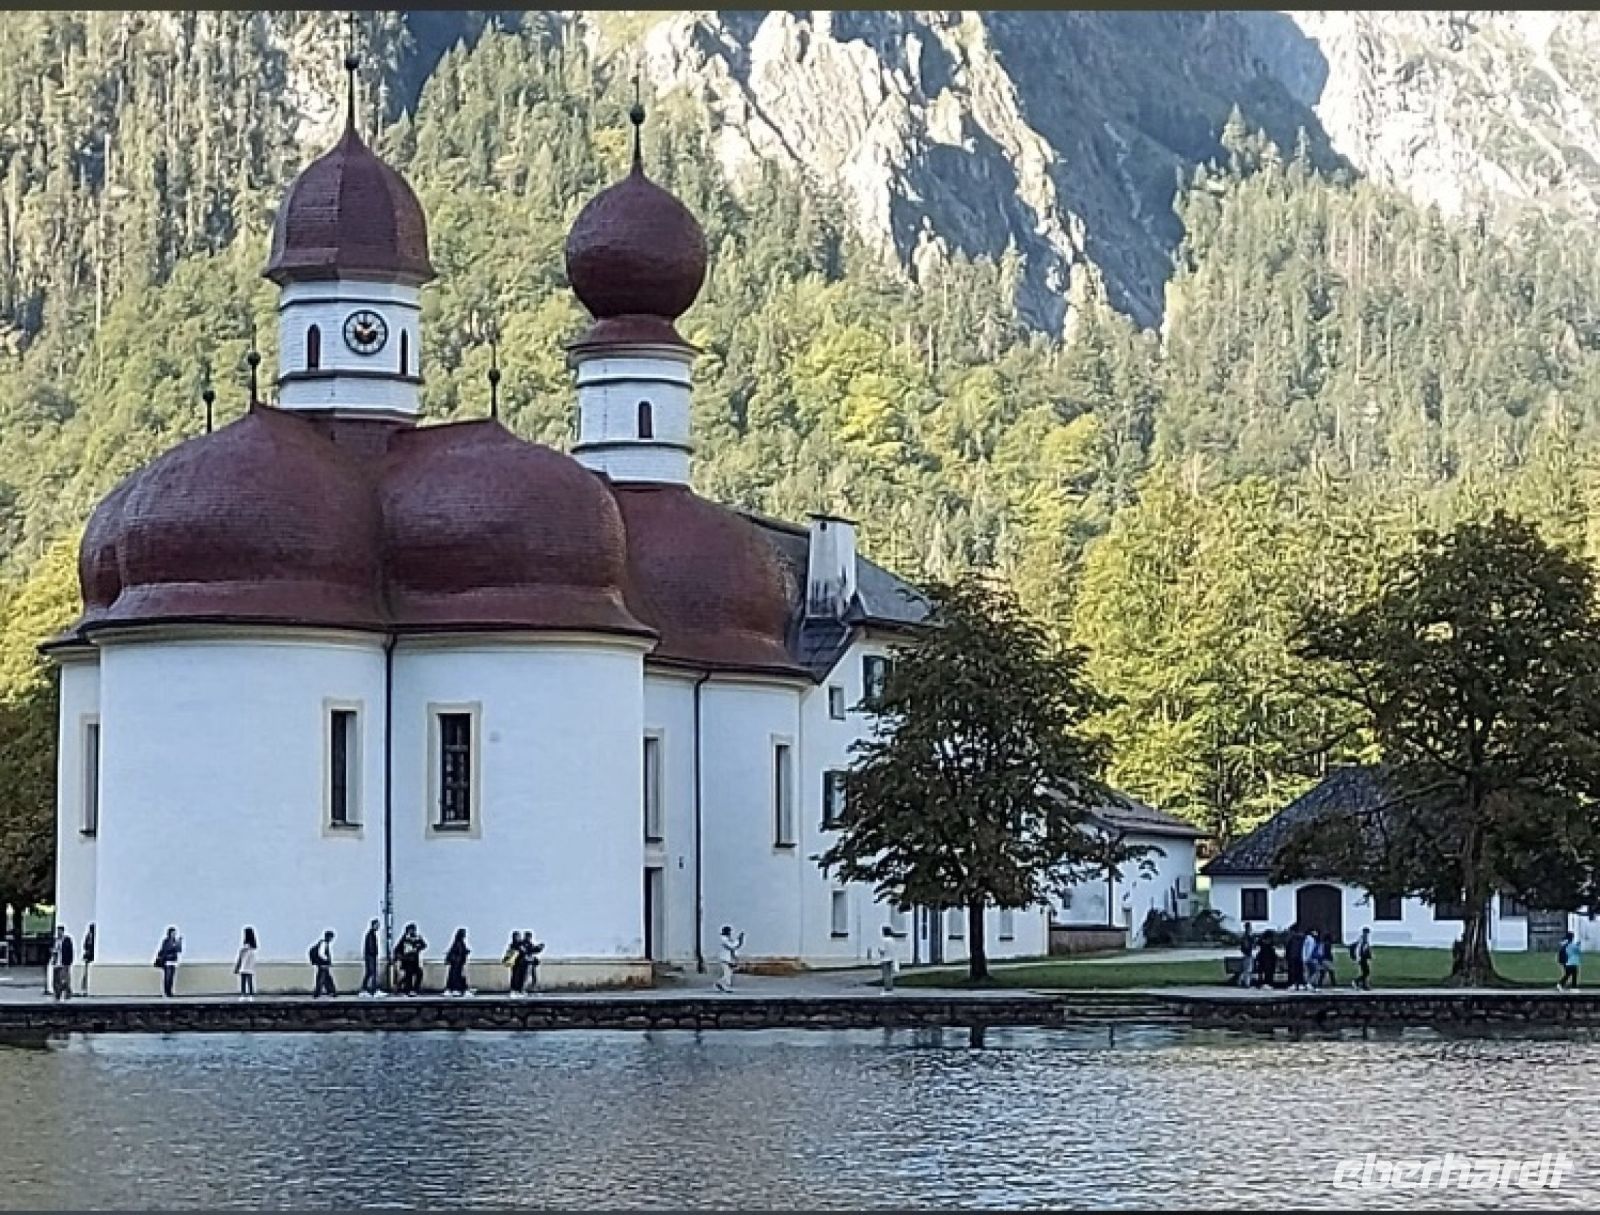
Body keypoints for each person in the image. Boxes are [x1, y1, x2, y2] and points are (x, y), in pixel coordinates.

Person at [394, 924, 426, 996]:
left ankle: (414, 988)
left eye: (414, 930)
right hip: (407, 961)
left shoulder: (417, 938)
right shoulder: (404, 939)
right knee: (409, 975)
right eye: (411, 930)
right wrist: (400, 958)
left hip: (415, 961)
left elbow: (424, 945)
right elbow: (397, 949)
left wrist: (418, 946)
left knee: (419, 973)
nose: (413, 931)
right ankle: (408, 990)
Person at [714, 925, 744, 993]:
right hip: (724, 959)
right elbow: (732, 946)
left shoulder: (728, 938)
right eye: (729, 931)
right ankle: (720, 983)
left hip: (728, 960)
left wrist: (739, 941)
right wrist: (739, 939)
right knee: (727, 974)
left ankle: (724, 986)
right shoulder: (723, 939)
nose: (730, 933)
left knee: (729, 974)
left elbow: (734, 947)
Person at [155, 927, 182, 998]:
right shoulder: (166, 941)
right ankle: (166, 992)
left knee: (171, 977)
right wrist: (174, 945)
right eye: (173, 933)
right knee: (167, 977)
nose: (174, 934)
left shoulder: (175, 941)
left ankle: (170, 991)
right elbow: (166, 949)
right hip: (167, 961)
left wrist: (179, 943)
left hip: (173, 961)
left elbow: (179, 950)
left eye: (175, 933)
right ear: (169, 933)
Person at [309, 929, 336, 998]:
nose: (332, 939)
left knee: (326, 978)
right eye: (331, 937)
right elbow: (321, 954)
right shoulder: (324, 944)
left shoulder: (323, 943)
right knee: (322, 978)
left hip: (321, 964)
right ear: (329, 937)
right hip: (322, 964)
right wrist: (327, 960)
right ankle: (318, 993)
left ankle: (331, 991)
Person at [49, 926, 74, 1001]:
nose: (59, 933)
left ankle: (67, 992)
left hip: (64, 963)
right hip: (56, 963)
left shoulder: (67, 940)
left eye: (60, 931)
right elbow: (54, 950)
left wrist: (68, 962)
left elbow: (70, 951)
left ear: (63, 931)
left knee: (64, 979)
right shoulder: (56, 941)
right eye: (58, 931)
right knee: (56, 980)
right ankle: (57, 994)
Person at [444, 928, 471, 996]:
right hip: (457, 964)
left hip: (458, 964)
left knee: (456, 977)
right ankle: (456, 989)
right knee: (457, 977)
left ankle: (455, 989)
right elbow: (458, 953)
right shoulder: (459, 943)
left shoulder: (458, 942)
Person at [872, 925, 899, 994]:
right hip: (891, 958)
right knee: (889, 974)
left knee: (885, 974)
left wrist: (879, 950)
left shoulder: (884, 940)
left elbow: (882, 950)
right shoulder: (892, 940)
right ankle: (890, 987)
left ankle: (887, 988)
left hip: (885, 959)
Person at [360, 919, 383, 998]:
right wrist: (374, 953)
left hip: (370, 956)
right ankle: (374, 991)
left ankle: (364, 989)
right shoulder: (371, 935)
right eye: (377, 925)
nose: (378, 926)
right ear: (373, 925)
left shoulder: (371, 934)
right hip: (371, 956)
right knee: (373, 973)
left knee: (369, 973)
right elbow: (371, 947)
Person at [234, 927, 258, 1000]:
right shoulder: (253, 947)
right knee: (249, 981)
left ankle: (243, 994)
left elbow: (240, 957)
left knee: (243, 981)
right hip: (250, 966)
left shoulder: (245, 947)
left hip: (244, 966)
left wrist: (237, 967)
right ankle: (251, 995)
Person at [1349, 926, 1373, 991]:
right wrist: (1358, 957)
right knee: (1366, 972)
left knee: (1365, 971)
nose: (1368, 934)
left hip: (1363, 958)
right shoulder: (1362, 939)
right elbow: (1359, 949)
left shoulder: (1365, 939)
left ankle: (1364, 985)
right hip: (1361, 958)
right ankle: (1356, 981)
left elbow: (1366, 949)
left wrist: (1369, 955)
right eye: (1367, 932)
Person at [504, 931, 526, 997]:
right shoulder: (513, 945)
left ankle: (520, 990)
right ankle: (514, 990)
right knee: (515, 976)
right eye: (516, 936)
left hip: (521, 963)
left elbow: (525, 952)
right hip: (515, 964)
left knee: (521, 977)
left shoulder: (521, 944)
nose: (518, 938)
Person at [1284, 923, 1305, 991]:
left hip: (1292, 956)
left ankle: (1292, 984)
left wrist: (1286, 956)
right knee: (1299, 971)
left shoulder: (1290, 937)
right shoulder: (1302, 938)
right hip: (1299, 956)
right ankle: (1300, 983)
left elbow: (1287, 946)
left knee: (1292, 971)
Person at [81, 923, 95, 996]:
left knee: (86, 974)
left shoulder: (89, 936)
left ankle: (85, 989)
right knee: (86, 974)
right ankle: (84, 989)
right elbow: (86, 946)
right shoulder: (90, 936)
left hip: (89, 957)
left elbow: (85, 945)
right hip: (89, 957)